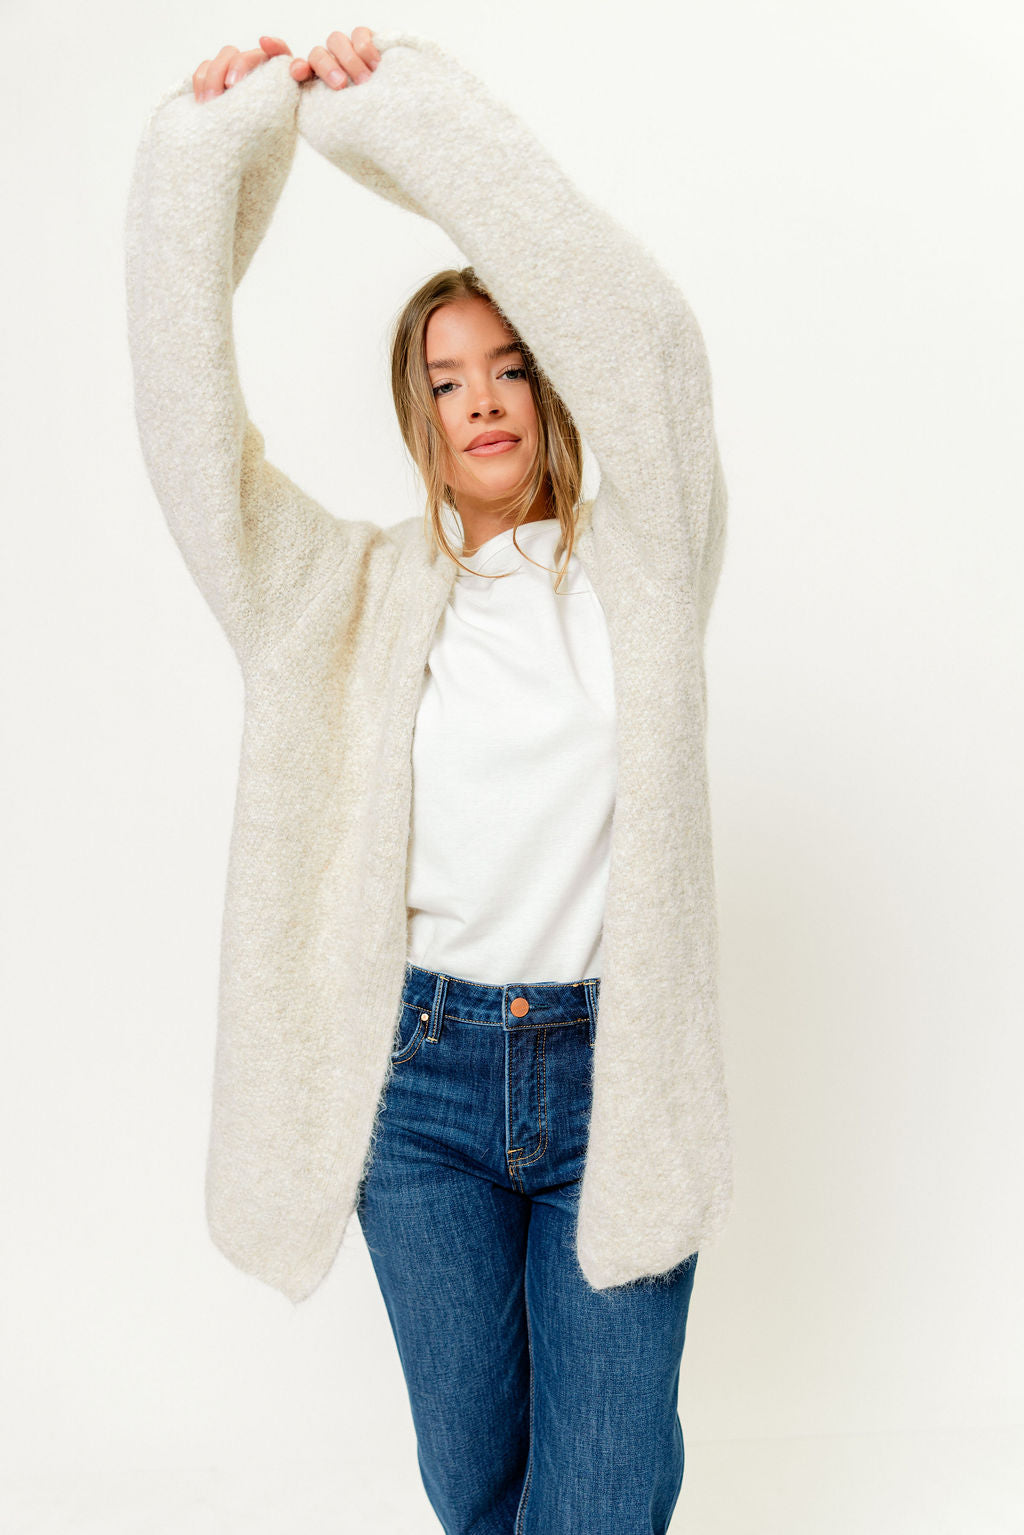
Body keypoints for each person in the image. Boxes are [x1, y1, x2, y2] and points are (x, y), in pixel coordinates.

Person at [126, 25, 733, 1534]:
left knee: (600, 1501)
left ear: (554, 382)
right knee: (479, 1495)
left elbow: (647, 339)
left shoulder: (646, 565)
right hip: (422, 1084)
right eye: (448, 378)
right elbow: (193, 447)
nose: (484, 399)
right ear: (419, 412)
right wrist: (208, 161)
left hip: (615, 1083)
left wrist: (415, 119)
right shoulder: (335, 597)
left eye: (512, 364)